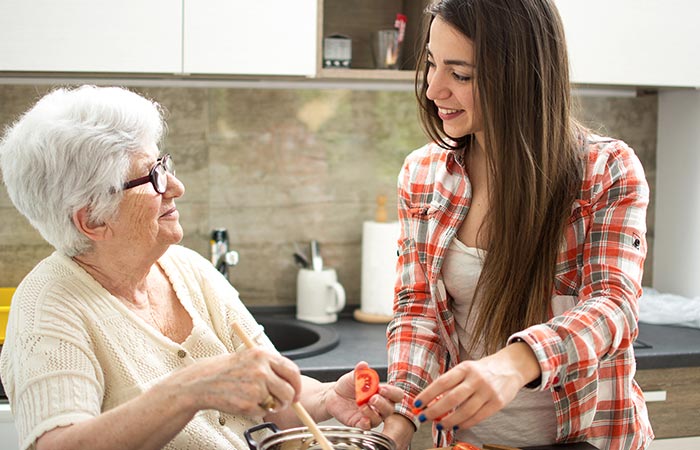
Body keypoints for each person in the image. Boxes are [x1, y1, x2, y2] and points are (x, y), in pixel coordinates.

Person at [0, 85, 404, 450]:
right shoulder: (47, 308)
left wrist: (326, 397)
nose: (176, 187)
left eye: (164, 163)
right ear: (93, 220)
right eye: (153, 176)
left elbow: (272, 398)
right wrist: (189, 389)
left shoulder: (189, 269)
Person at [380, 1, 653, 449]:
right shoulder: (423, 176)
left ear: (520, 75)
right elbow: (418, 313)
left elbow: (613, 306)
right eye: (431, 64)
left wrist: (515, 362)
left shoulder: (606, 170)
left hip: (586, 439)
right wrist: (398, 423)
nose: (433, 89)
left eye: (460, 74)